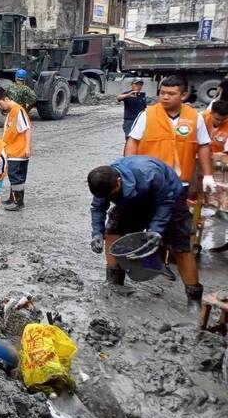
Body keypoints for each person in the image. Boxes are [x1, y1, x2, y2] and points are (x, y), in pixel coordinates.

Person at [124, 74, 215, 308]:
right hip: (148, 185)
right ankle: (123, 277)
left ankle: (193, 297)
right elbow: (132, 142)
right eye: (162, 92)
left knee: (180, 240)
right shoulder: (147, 115)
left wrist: (207, 175)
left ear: (184, 95)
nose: (164, 97)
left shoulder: (195, 118)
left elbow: (204, 147)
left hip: (178, 188)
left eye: (171, 93)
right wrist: (129, 170)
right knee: (124, 228)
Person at [88, 157, 185, 289]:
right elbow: (98, 207)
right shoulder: (103, 183)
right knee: (113, 229)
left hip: (168, 196)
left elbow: (166, 201)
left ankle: (160, 264)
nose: (109, 197)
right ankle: (113, 281)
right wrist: (97, 233)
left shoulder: (150, 174)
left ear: (119, 181)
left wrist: (156, 229)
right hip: (132, 198)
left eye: (111, 194)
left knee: (165, 236)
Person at [0, 87, 32, 211]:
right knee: (14, 176)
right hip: (12, 151)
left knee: (16, 177)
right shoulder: (11, 111)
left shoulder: (18, 111)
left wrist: (27, 147)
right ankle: (13, 198)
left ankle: (18, 202)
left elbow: (27, 129)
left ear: (6, 99)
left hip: (18, 152)